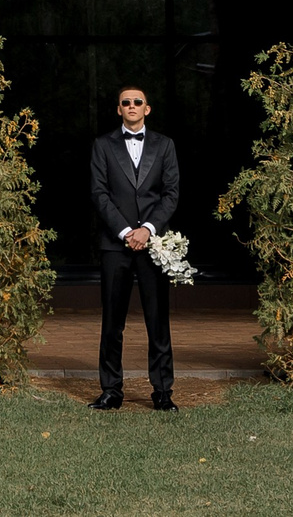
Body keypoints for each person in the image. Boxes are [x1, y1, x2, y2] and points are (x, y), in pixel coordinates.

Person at [89, 84, 179, 410]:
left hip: (154, 245)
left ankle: (163, 392)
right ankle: (111, 391)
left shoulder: (165, 145)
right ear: (119, 109)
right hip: (116, 246)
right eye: (125, 102)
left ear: (146, 108)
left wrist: (147, 230)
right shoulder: (102, 145)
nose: (131, 105)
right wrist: (127, 232)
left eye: (137, 101)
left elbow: (171, 194)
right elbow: (99, 193)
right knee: (112, 322)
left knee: (158, 321)